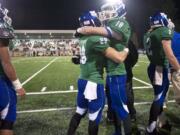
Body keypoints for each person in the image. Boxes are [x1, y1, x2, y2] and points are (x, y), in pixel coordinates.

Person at [67, 11, 129, 135]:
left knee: (79, 112)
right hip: (94, 82)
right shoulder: (96, 39)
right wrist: (126, 50)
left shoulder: (83, 38)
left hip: (82, 80)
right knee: (94, 117)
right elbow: (118, 58)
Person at [143, 12, 180, 135]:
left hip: (152, 67)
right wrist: (178, 68)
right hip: (159, 69)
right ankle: (151, 127)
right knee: (159, 98)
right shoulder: (164, 31)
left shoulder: (148, 33)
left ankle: (160, 122)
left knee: (161, 97)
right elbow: (169, 55)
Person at [0, 5, 26, 135]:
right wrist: (18, 85)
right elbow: (5, 62)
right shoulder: (2, 28)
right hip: (1, 82)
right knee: (7, 121)